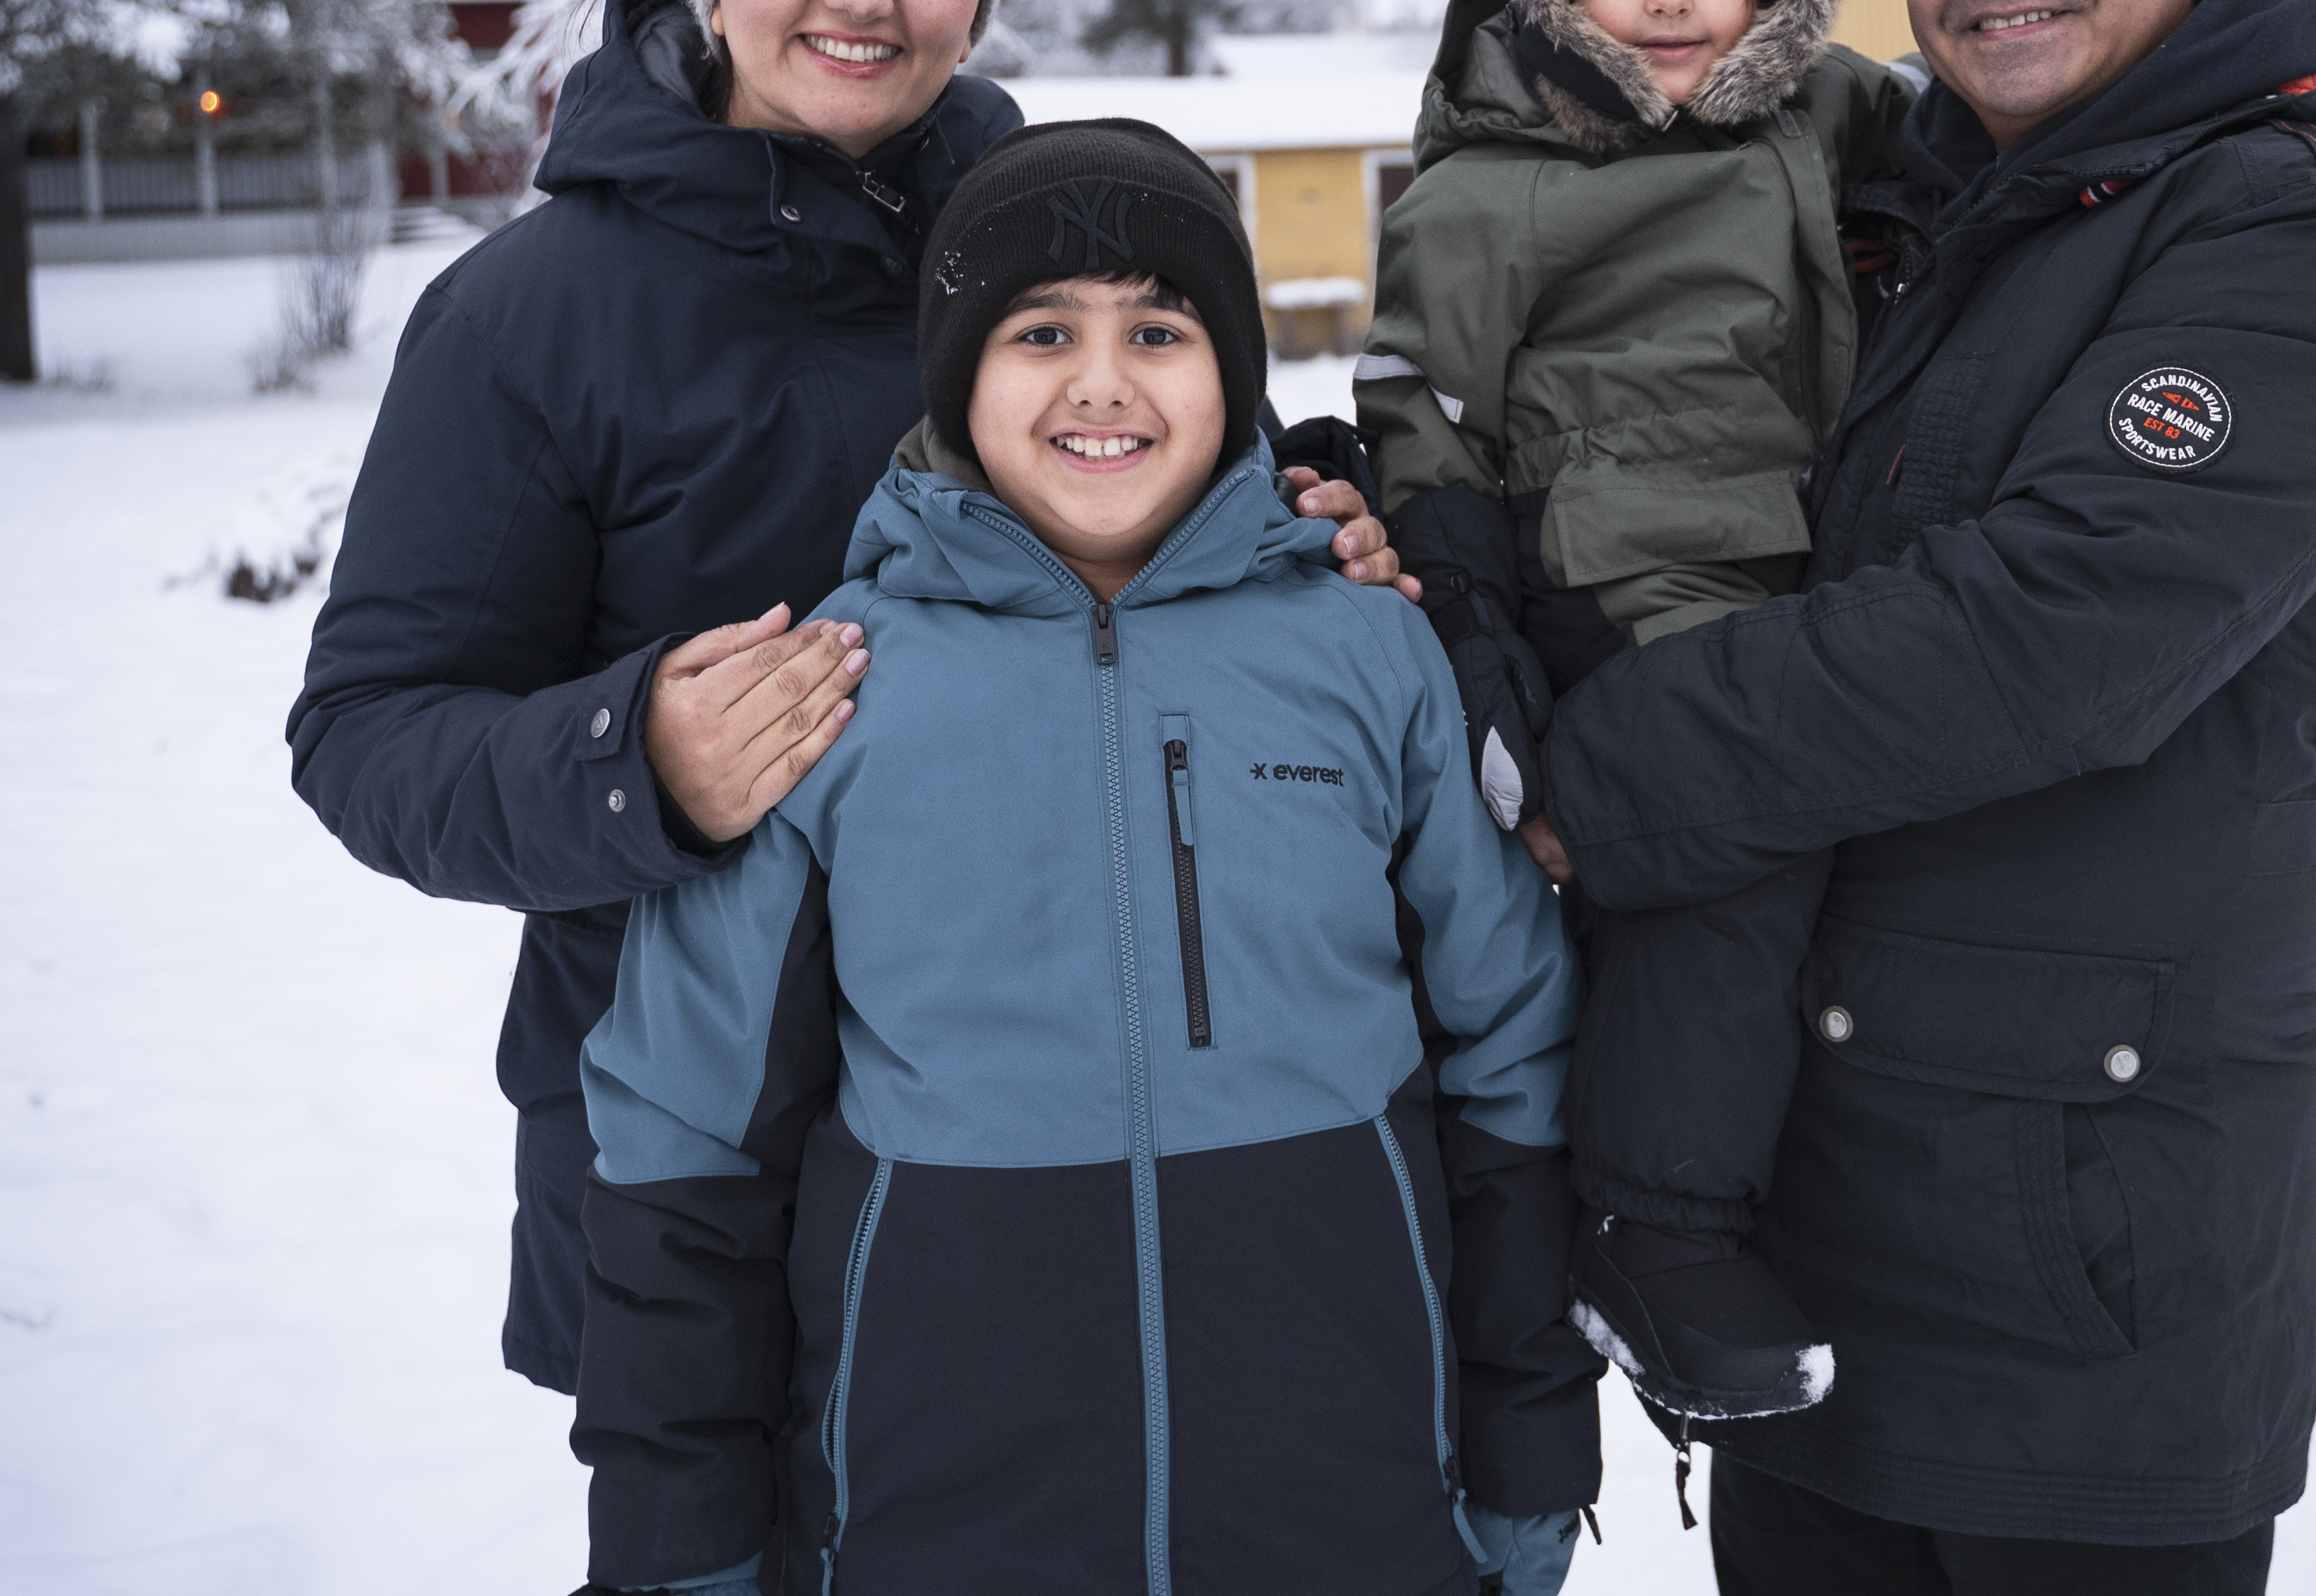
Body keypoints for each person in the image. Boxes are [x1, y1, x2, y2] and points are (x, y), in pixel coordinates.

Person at [285, 0, 1400, 1408]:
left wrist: (1318, 508)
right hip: (692, 1166)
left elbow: (1192, 533)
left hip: (1048, 1143)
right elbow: (369, 735)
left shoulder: (1062, 258)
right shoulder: (531, 319)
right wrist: (630, 759)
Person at [1502, 0, 2316, 1591]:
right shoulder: (1948, 202)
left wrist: (1589, 778)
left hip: (2089, 1279)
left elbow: (2039, 642)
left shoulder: (2296, 231)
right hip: (1833, 1237)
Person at [571, 119, 1599, 1596]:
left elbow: (1518, 1061)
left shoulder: (1369, 651)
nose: (1103, 379)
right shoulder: (830, 689)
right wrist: (685, 1543)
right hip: (936, 1522)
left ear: (1233, 374)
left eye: (1161, 327)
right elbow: (683, 1138)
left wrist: (1529, 1463)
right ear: (958, 375)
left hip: (1354, 1507)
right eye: (1041, 328)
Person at [1355, 0, 1915, 1423]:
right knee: (1732, 854)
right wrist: (1470, 626)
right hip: (1625, 574)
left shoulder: (1834, 115)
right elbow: (1425, 416)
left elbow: (1994, 168)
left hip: (1813, 553)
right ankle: (1654, 1226)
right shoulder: (1490, 187)